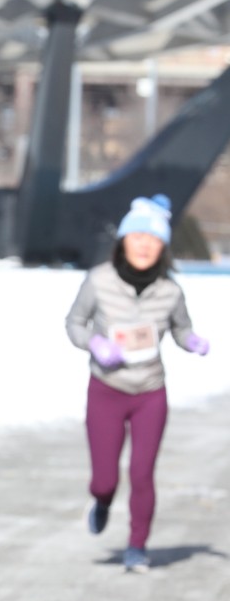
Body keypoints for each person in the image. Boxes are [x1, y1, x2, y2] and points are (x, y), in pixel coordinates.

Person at [65, 193, 209, 572]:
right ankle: (101, 500)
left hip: (150, 392)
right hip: (106, 390)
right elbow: (74, 323)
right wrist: (94, 343)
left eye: (153, 239)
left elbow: (181, 328)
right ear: (124, 241)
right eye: (137, 236)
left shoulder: (171, 291)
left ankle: (137, 547)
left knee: (142, 473)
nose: (144, 245)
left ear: (163, 247)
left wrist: (192, 341)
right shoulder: (99, 280)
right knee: (105, 480)